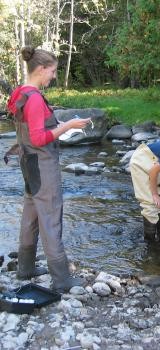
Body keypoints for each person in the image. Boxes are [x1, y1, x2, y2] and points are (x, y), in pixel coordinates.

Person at [7, 46, 91, 292]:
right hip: (43, 166)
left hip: (28, 164)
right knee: (51, 218)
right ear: (41, 69)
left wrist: (57, 123)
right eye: (52, 71)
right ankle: (62, 279)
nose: (53, 76)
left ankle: (25, 268)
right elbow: (38, 138)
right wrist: (69, 126)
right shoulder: (33, 98)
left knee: (31, 214)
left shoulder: (20, 93)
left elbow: (33, 129)